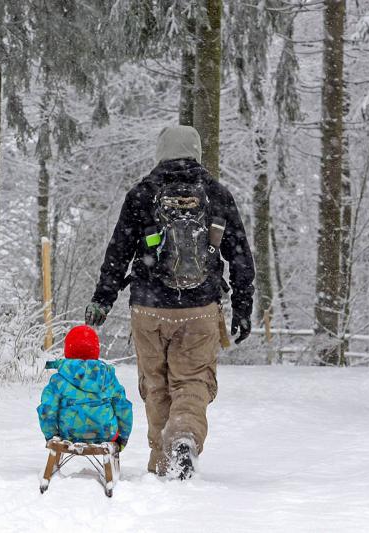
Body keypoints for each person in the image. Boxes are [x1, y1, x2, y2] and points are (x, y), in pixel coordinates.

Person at [85, 125, 255, 479]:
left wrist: (103, 299)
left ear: (160, 151)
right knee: (192, 382)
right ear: (196, 151)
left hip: (148, 308)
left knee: (156, 385)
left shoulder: (142, 194)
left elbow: (118, 252)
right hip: (200, 310)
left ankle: (160, 463)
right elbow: (240, 255)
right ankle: (184, 439)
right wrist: (242, 306)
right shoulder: (217, 194)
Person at [37, 325, 133, 448]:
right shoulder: (108, 377)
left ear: (68, 350)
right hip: (106, 434)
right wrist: (122, 438)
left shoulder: (59, 380)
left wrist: (51, 436)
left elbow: (47, 409)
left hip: (68, 435)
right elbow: (123, 408)